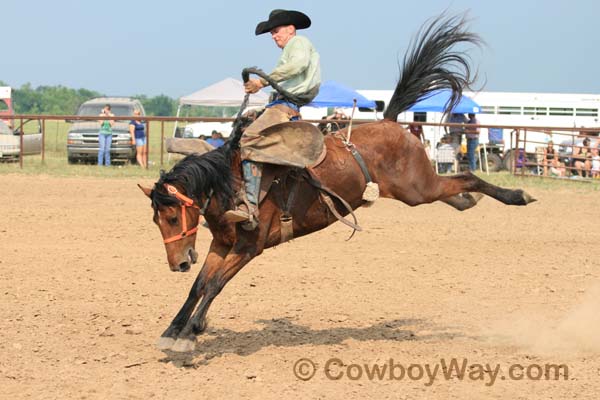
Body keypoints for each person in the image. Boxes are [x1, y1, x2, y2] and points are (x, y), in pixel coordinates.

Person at [224, 9, 321, 228]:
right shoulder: (291, 50)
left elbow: (297, 66)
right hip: (280, 104)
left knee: (249, 138)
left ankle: (249, 203)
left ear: (290, 29)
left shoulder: (299, 43)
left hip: (284, 106)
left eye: (276, 31)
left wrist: (262, 82)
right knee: (242, 134)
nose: (273, 36)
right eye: (271, 33)